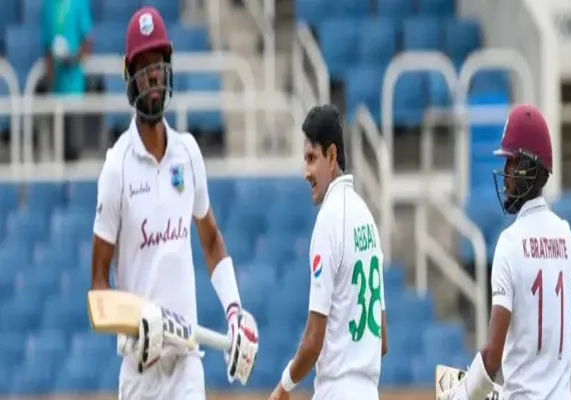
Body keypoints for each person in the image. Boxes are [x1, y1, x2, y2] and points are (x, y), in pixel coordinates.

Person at [90, 7, 258, 399]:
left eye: (158, 65)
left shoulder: (188, 153)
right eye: (143, 67)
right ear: (129, 76)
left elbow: (211, 241)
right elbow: (98, 290)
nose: (152, 77)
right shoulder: (116, 168)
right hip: (140, 370)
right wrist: (134, 320)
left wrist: (234, 311)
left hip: (186, 365)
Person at [437, 104, 571, 400]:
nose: (505, 174)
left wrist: (458, 396)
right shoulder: (566, 237)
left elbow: (492, 358)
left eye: (510, 163)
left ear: (527, 168)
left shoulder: (510, 243)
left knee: (453, 389)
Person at [268, 104, 388, 400]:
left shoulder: (329, 220)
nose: (305, 173)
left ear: (332, 156)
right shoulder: (367, 218)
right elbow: (382, 341)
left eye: (312, 158)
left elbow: (313, 342)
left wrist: (284, 386)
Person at [40, 0, 93, 161]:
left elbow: (87, 42)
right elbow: (46, 46)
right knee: (57, 150)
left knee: (73, 149)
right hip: (56, 91)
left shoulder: (80, 3)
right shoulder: (48, 6)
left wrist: (73, 59)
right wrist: (50, 82)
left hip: (74, 90)